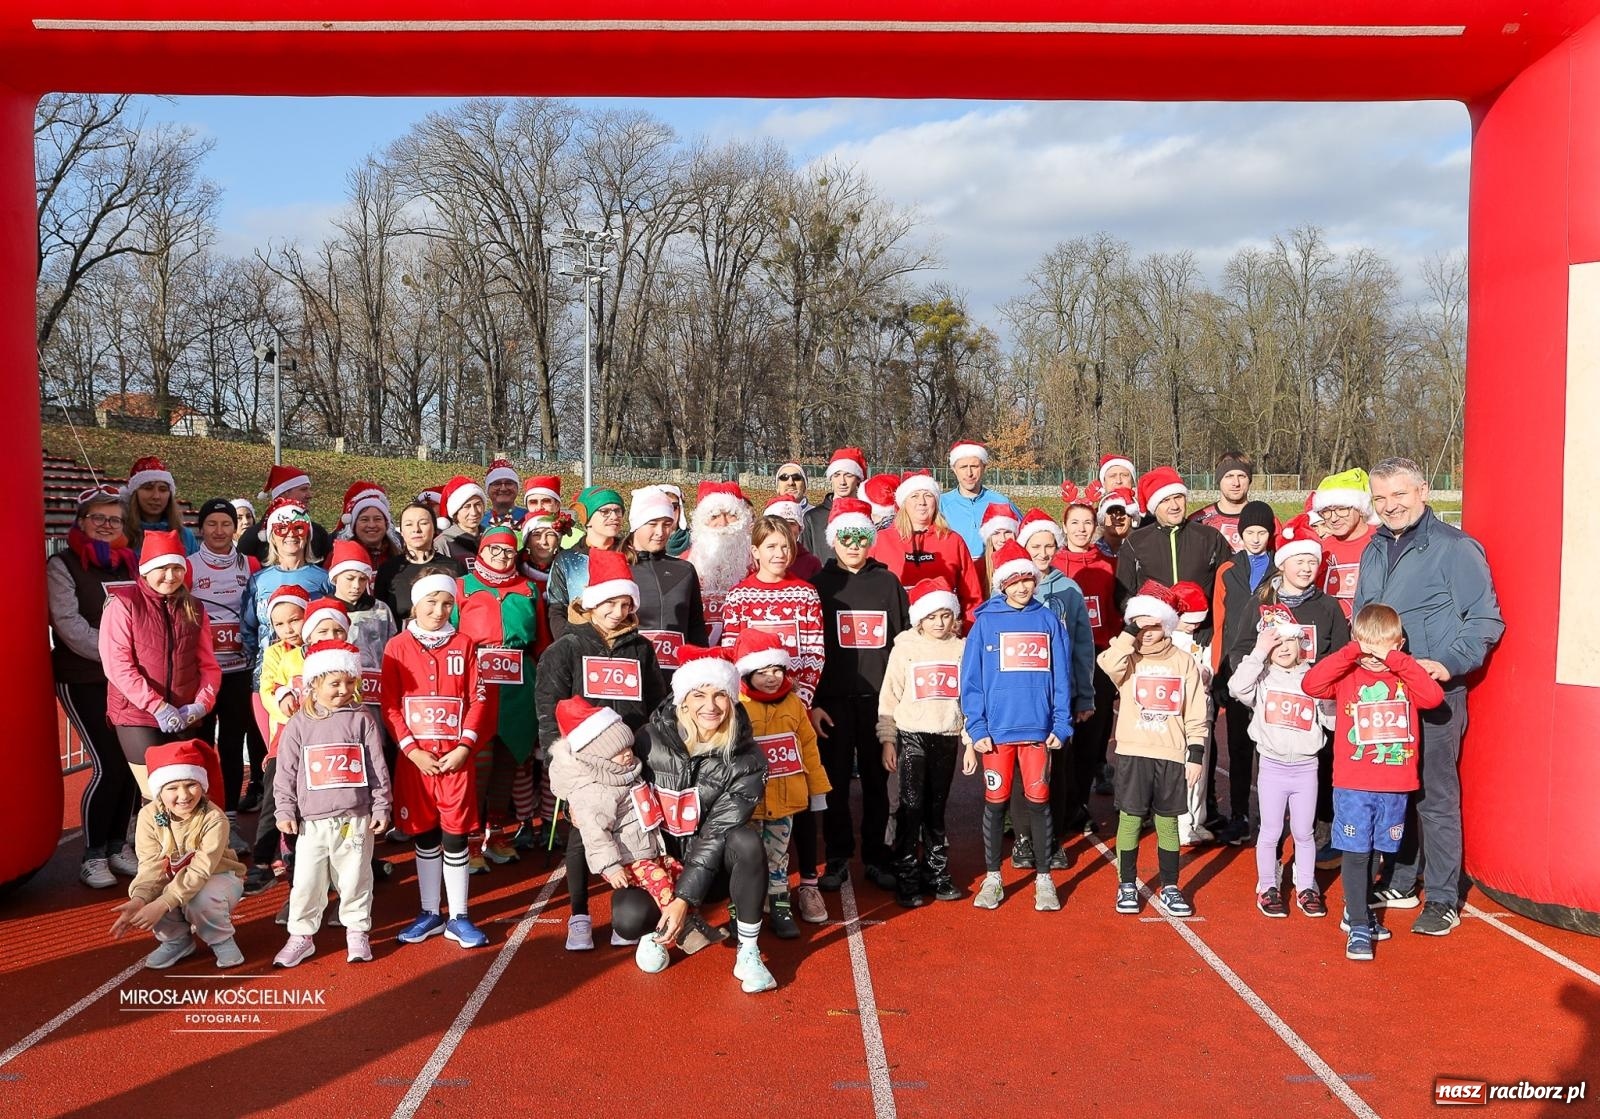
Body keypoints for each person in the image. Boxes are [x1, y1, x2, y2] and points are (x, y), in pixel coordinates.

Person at [1354, 457, 1503, 935]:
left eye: (1399, 494)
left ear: (1423, 492)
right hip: (1383, 695)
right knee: (1394, 788)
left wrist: (1447, 663)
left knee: (1434, 795)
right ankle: (1400, 877)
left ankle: (1441, 897)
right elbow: (1364, 614)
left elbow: (1484, 620)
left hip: (1434, 693)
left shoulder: (1456, 548)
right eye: (1380, 497)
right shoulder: (1375, 546)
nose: (1390, 505)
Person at [534, 550, 667, 951]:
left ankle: (627, 911)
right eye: (609, 602)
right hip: (585, 763)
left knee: (633, 832)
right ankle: (578, 914)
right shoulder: (566, 648)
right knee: (582, 834)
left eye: (625, 603)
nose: (617, 611)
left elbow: (657, 705)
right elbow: (547, 711)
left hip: (631, 761)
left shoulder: (642, 648)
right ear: (591, 602)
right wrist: (563, 771)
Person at [1304, 603, 1446, 958]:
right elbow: (1312, 683)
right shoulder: (1349, 674)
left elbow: (1433, 696)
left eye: (1381, 650)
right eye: (1367, 648)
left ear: (1397, 645)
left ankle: (1360, 911)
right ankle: (1358, 926)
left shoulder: (1404, 675)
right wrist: (1353, 652)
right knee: (1355, 853)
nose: (1373, 658)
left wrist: (1397, 661)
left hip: (1395, 784)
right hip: (1354, 783)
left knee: (1378, 853)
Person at [636, 646, 775, 993]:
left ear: (732, 700)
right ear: (683, 699)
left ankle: (748, 949)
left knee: (746, 841)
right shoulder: (648, 740)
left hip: (713, 869)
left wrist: (683, 899)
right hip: (663, 865)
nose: (709, 706)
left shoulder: (747, 759)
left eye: (719, 696)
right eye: (698, 695)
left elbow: (716, 834)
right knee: (628, 919)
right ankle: (679, 927)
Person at [959, 540, 1074, 912]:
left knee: (1040, 805)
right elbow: (971, 680)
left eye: (1029, 579)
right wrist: (977, 728)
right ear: (1003, 583)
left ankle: (1044, 878)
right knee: (995, 806)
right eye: (1016, 580)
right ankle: (993, 877)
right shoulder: (985, 622)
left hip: (1038, 733)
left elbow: (1061, 675)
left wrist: (1061, 721)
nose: (1024, 586)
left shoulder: (1047, 620)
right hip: (996, 736)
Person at [381, 572, 493, 949]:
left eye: (446, 603)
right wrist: (412, 750)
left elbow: (478, 699)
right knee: (424, 835)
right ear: (415, 604)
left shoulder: (465, 644)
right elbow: (391, 705)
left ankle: (459, 915)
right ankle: (430, 912)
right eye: (430, 601)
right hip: (417, 763)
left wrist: (464, 746)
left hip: (455, 762)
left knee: (456, 835)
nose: (439, 609)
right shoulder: (396, 646)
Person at [272, 640, 392, 966]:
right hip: (313, 820)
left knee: (355, 878)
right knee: (307, 882)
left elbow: (376, 766)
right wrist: (284, 809)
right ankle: (301, 936)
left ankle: (356, 932)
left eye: (349, 682)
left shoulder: (362, 718)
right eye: (334, 683)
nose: (343, 690)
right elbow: (286, 771)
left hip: (355, 817)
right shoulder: (298, 724)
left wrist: (381, 806)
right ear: (314, 683)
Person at [809, 499, 908, 893]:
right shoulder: (819, 586)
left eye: (862, 538)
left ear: (871, 540)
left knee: (876, 781)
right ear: (834, 540)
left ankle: (876, 855)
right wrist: (813, 701)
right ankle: (836, 856)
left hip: (878, 703)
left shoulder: (887, 583)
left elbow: (901, 642)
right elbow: (810, 647)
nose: (854, 545)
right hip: (831, 702)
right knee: (832, 782)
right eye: (846, 538)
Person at [546, 696, 683, 973]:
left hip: (647, 848)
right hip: (629, 857)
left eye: (628, 747)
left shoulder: (624, 772)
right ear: (598, 757)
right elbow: (595, 833)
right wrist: (610, 866)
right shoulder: (597, 790)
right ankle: (675, 929)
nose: (628, 754)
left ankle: (646, 925)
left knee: (676, 871)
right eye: (618, 752)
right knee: (661, 885)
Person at [1096, 581, 1208, 917]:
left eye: (1154, 624)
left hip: (1170, 753)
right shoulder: (1126, 658)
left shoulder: (1184, 662)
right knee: (1130, 820)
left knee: (1168, 822)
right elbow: (1107, 665)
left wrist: (1196, 754)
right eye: (1139, 624)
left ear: (1168, 624)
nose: (1147, 632)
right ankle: (1126, 883)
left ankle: (1171, 886)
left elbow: (1196, 711)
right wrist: (1129, 633)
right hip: (1133, 751)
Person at [50, 485, 143, 888]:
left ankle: (116, 844)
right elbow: (68, 625)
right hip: (84, 676)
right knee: (107, 763)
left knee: (129, 766)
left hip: (124, 681)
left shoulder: (128, 564)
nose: (106, 526)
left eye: (114, 520)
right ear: (82, 521)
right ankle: (92, 853)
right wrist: (118, 657)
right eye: (98, 518)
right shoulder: (62, 564)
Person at [100, 530, 221, 798]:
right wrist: (157, 706)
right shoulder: (124, 604)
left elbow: (209, 665)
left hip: (183, 714)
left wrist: (201, 704)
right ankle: (150, 841)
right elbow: (117, 665)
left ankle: (186, 842)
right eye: (162, 568)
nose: (170, 576)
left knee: (188, 794)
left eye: (177, 568)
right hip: (137, 715)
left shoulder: (195, 608)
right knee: (156, 794)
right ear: (145, 570)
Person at [1228, 619, 1333, 919]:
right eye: (1276, 642)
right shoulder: (1261, 678)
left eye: (1289, 641)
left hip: (1305, 768)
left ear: (1301, 644)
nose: (1283, 648)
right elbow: (1236, 687)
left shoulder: (1313, 678)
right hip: (1272, 766)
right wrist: (1258, 652)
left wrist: (1334, 700)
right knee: (1271, 830)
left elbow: (1332, 720)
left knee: (1304, 831)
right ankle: (1267, 885)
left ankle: (1305, 885)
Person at [110, 738, 244, 970]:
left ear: (202, 785)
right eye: (172, 788)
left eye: (191, 784)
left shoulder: (214, 818)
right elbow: (150, 865)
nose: (183, 795)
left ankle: (221, 938)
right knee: (146, 892)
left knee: (201, 899)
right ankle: (176, 940)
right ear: (159, 792)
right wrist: (139, 899)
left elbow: (201, 869)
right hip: (173, 877)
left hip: (218, 875)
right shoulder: (148, 816)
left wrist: (164, 902)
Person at [455, 526, 543, 869]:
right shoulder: (463, 586)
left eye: (508, 552)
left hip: (518, 684)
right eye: (495, 551)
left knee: (510, 759)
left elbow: (542, 641)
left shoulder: (529, 588)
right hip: (476, 679)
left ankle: (497, 831)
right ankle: (471, 836)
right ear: (482, 552)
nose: (502, 557)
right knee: (479, 761)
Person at [735, 628, 830, 937]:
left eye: (777, 669)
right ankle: (742, 908)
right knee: (746, 858)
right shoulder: (738, 708)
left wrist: (817, 790)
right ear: (747, 674)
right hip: (749, 804)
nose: (772, 677)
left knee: (777, 856)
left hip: (785, 801)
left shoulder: (794, 706)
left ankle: (779, 905)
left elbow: (809, 749)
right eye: (763, 672)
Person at [1014, 509, 1095, 866]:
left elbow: (1082, 645)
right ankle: (1023, 839)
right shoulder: (1010, 588)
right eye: (1035, 545)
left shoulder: (1069, 589)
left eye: (1049, 545)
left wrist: (1085, 694)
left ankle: (1055, 837)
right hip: (1020, 700)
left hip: (1059, 697)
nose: (1043, 552)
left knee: (1058, 769)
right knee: (1022, 768)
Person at [878, 578, 966, 905]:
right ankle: (907, 874)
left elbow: (969, 699)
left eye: (945, 615)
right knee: (910, 807)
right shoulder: (905, 648)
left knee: (936, 809)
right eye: (932, 617)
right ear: (919, 619)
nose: (939, 623)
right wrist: (888, 741)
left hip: (947, 736)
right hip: (911, 736)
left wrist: (969, 741)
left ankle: (937, 872)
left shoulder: (961, 648)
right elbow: (889, 697)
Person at [187, 498, 262, 847]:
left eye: (226, 524)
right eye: (212, 524)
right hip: (200, 675)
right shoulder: (186, 567)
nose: (219, 531)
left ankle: (229, 820)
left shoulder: (250, 564)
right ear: (200, 528)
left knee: (232, 747)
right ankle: (199, 820)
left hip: (239, 671)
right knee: (200, 746)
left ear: (236, 528)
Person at [1206, 499, 1278, 836]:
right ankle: (1239, 815)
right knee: (1238, 744)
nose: (1255, 538)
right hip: (1236, 669)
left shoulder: (1282, 570)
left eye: (1261, 531)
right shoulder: (1228, 570)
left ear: (1270, 533)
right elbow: (1220, 624)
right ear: (1240, 533)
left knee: (1270, 746)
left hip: (1273, 671)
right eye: (1249, 531)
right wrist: (1220, 671)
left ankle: (1269, 815)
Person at [1052, 487, 1119, 832]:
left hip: (1099, 658)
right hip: (1059, 658)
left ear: (1095, 528)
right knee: (1062, 735)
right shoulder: (1051, 566)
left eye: (1087, 523)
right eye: (1074, 522)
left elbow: (1116, 612)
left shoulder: (1109, 565)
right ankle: (1055, 804)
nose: (1081, 529)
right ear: (1065, 526)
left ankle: (1078, 805)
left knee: (1092, 736)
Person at [718, 516, 826, 707]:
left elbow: (814, 652)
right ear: (755, 551)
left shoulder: (806, 594)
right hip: (751, 700)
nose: (780, 554)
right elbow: (730, 651)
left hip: (794, 699)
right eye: (771, 547)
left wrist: (801, 697)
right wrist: (743, 696)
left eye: (786, 546)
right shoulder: (739, 595)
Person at [1116, 468, 1232, 645]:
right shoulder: (1136, 542)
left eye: (1178, 497)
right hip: (1154, 637)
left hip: (1202, 636)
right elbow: (1123, 596)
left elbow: (1228, 587)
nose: (1174, 506)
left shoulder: (1210, 537)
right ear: (1154, 507)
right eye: (1165, 500)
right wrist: (1155, 623)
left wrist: (1212, 624)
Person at [240, 499, 334, 694]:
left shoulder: (324, 579)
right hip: (268, 673)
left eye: (298, 528)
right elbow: (248, 627)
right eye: (282, 528)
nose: (290, 534)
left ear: (307, 535)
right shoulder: (258, 580)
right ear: (272, 536)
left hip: (313, 673)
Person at [870, 471, 984, 624]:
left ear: (936, 502)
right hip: (896, 634)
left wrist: (967, 636)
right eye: (914, 496)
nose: (922, 502)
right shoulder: (882, 540)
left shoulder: (953, 540)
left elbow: (972, 595)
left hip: (943, 633)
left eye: (928, 495)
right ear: (903, 503)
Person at [626, 486, 708, 681]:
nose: (660, 532)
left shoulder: (685, 570)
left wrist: (703, 671)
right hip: (632, 674)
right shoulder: (619, 566)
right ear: (636, 524)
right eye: (652, 524)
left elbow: (696, 628)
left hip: (677, 677)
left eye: (666, 524)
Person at [1169, 581, 1218, 847]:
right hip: (1177, 713)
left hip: (1201, 710)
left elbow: (1209, 669)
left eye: (1198, 621)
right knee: (1182, 770)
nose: (1193, 626)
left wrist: (1205, 673)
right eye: (1188, 620)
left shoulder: (1202, 639)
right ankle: (1180, 823)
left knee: (1200, 769)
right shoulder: (1166, 639)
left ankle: (1197, 820)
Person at [547, 486, 627, 639]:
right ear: (587, 519)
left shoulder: (631, 555)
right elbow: (557, 609)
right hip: (579, 644)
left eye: (618, 511)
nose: (614, 516)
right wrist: (568, 644)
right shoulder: (567, 560)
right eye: (605, 512)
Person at [685, 481, 754, 643]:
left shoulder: (757, 566)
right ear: (701, 523)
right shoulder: (685, 566)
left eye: (731, 515)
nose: (723, 523)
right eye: (714, 516)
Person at [378, 501, 466, 624]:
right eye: (409, 524)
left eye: (423, 523)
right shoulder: (389, 570)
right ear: (401, 532)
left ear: (434, 528)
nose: (416, 530)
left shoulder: (453, 567)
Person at [1311, 468, 1377, 618]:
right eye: (1326, 511)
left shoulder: (1381, 542)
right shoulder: (1321, 548)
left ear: (1360, 508)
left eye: (1342, 509)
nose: (1333, 518)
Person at [940, 440, 1021, 560]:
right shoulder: (941, 504)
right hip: (955, 571)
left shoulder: (1001, 502)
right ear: (954, 469)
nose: (969, 473)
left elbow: (1023, 535)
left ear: (984, 467)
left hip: (992, 570)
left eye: (974, 466)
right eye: (963, 467)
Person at [238, 464, 332, 565]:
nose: (310, 495)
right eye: (303, 489)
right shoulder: (253, 537)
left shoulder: (318, 533)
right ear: (284, 493)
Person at [1189, 451, 1268, 551]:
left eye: (1241, 476)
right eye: (1229, 476)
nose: (1236, 483)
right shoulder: (1197, 522)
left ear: (1249, 480)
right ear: (1219, 480)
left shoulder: (1267, 520)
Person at [121, 455, 198, 556]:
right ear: (135, 493)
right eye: (148, 488)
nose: (156, 496)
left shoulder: (185, 536)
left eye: (163, 489)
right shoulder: (120, 533)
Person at [800, 446, 865, 558]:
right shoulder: (812, 518)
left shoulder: (867, 515)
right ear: (831, 478)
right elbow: (805, 561)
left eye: (848, 475)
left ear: (858, 478)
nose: (842, 482)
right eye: (837, 475)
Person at [337, 481, 399, 571]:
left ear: (386, 524)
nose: (372, 525)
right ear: (354, 525)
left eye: (377, 519)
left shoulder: (400, 556)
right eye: (364, 519)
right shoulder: (339, 557)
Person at [763, 495, 822, 581]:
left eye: (791, 523)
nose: (786, 528)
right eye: (780, 523)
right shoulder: (758, 559)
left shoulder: (812, 564)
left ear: (799, 528)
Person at [434, 475, 489, 568]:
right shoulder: (444, 543)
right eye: (466, 506)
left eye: (478, 505)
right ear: (455, 512)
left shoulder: (491, 536)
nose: (474, 512)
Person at [483, 458, 526, 529]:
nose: (503, 489)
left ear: (517, 487)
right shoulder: (478, 521)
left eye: (509, 483)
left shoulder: (528, 517)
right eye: (497, 484)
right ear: (487, 489)